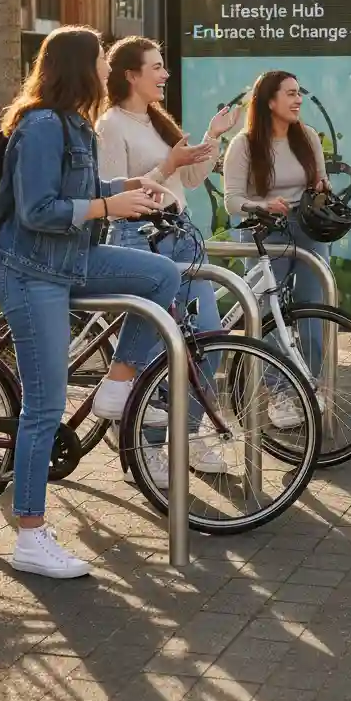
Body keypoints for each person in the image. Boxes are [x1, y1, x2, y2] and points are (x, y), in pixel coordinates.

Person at [0, 26, 180, 579]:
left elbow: (85, 184)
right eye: (100, 57)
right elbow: (38, 209)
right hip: (29, 272)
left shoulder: (73, 122)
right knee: (44, 408)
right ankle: (29, 537)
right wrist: (107, 207)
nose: (107, 64)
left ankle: (115, 387)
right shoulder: (43, 124)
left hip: (68, 262)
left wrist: (125, 188)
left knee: (161, 278)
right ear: (79, 65)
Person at [96, 36, 240, 474]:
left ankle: (190, 436)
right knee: (161, 348)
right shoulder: (110, 125)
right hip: (140, 236)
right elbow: (109, 190)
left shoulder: (158, 122)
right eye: (156, 67)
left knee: (209, 337)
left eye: (164, 66)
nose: (165, 74)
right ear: (131, 75)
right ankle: (148, 448)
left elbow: (192, 179)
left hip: (181, 235)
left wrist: (213, 137)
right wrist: (168, 167)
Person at [222, 70, 330, 429]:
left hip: (307, 229)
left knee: (314, 313)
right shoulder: (244, 144)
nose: (298, 100)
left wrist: (321, 188)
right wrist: (264, 205)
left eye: (299, 93)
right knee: (269, 317)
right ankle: (281, 391)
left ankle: (310, 384)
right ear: (269, 101)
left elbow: (321, 182)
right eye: (290, 94)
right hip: (264, 232)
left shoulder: (308, 137)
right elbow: (232, 202)